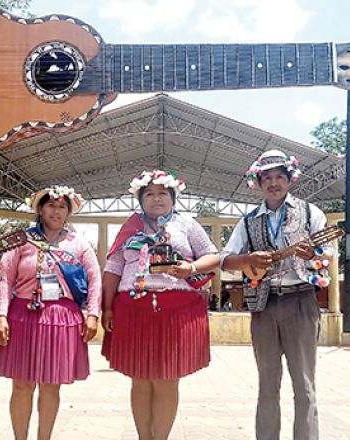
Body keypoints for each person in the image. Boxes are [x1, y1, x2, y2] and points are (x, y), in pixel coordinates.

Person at [220, 150, 335, 440]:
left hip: (301, 300)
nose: (273, 183)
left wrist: (314, 253)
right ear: (258, 183)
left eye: (279, 177)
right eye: (267, 178)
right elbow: (226, 258)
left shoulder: (310, 213)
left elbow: (329, 254)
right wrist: (249, 259)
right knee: (267, 385)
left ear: (289, 180)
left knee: (304, 384)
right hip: (264, 305)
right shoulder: (247, 221)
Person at [101, 170, 220, 440]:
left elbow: (213, 257)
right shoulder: (130, 227)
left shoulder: (187, 224)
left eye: (163, 193)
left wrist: (190, 267)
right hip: (133, 310)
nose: (156, 199)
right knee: (140, 379)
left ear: (173, 197)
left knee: (167, 380)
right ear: (141, 200)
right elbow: (113, 267)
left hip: (178, 310)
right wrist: (106, 307)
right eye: (150, 194)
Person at [0, 186, 102, 440]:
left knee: (51, 387)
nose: (56, 211)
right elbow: (5, 278)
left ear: (69, 213)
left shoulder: (79, 244)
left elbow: (95, 279)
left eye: (62, 207)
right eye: (51, 205)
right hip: (23, 316)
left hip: (62, 319)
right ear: (40, 209)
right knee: (22, 385)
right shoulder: (21, 240)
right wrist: (0, 315)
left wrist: (93, 314)